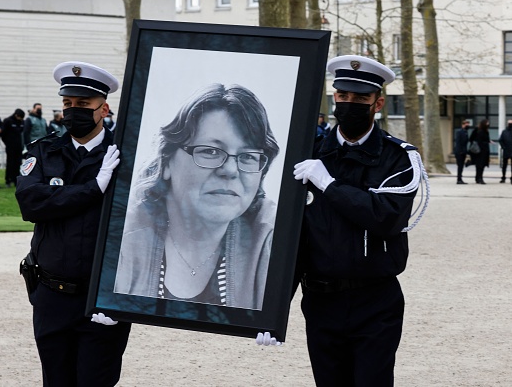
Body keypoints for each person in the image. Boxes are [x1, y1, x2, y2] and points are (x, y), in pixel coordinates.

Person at [257, 55, 428, 386]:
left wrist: (330, 185)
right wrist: (272, 311)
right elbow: (292, 238)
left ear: (378, 103)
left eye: (361, 98)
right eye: (343, 96)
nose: (349, 104)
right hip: (321, 300)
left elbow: (386, 218)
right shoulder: (307, 152)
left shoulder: (399, 158)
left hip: (375, 300)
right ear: (334, 96)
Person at [15, 61, 131, 386]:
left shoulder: (125, 155)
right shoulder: (44, 151)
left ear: (103, 108)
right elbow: (31, 203)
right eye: (68, 104)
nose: (73, 111)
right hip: (51, 294)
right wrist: (93, 188)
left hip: (102, 299)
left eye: (83, 104)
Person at [114, 83, 279, 310]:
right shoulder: (121, 237)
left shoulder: (270, 239)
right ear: (167, 163)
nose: (230, 170)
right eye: (210, 151)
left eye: (248, 156)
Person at [1, 108, 25, 188]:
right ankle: (8, 180)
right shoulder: (7, 121)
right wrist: (7, 143)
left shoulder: (22, 122)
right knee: (10, 163)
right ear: (16, 115)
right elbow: (3, 134)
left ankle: (16, 180)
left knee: (17, 163)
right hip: (10, 146)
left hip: (19, 146)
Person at [469, 118, 491, 184]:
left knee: (482, 165)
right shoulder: (477, 130)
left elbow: (486, 139)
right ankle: (479, 178)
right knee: (479, 165)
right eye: (487, 123)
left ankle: (478, 178)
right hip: (479, 150)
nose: (488, 124)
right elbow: (471, 138)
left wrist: (488, 141)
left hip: (484, 150)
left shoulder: (486, 131)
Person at [454, 119, 471, 184]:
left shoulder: (465, 132)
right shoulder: (460, 132)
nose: (468, 125)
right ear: (463, 124)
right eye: (467, 124)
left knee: (461, 166)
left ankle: (460, 178)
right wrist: (460, 151)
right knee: (460, 166)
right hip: (460, 152)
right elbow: (458, 142)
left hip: (463, 152)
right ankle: (459, 179)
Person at [498, 119, 512, 184]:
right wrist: (503, 147)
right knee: (504, 165)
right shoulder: (504, 132)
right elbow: (500, 140)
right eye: (509, 123)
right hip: (506, 150)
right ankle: (503, 177)